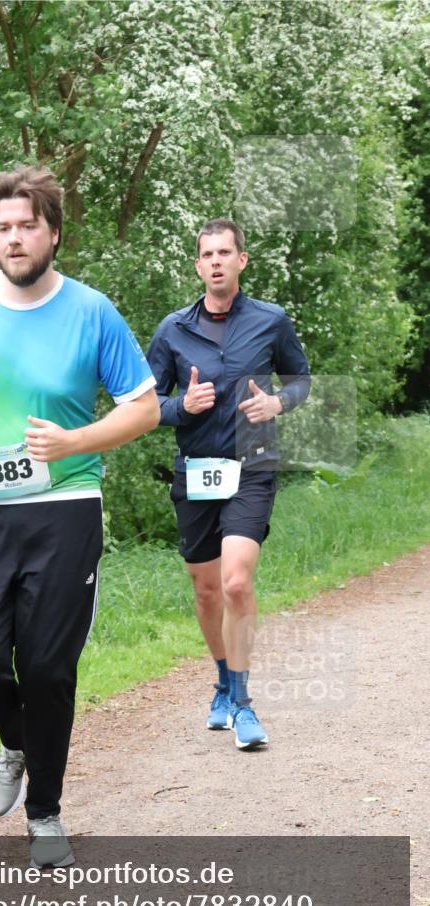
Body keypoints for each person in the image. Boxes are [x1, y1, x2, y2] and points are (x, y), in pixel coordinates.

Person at [0, 164, 158, 867]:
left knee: (50, 668)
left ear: (53, 233)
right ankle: (16, 738)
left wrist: (75, 441)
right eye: (3, 228)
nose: (14, 238)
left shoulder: (91, 311)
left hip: (63, 508)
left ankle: (45, 814)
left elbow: (142, 406)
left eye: (27, 226)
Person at [146, 219, 310, 750]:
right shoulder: (172, 330)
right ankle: (222, 680)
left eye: (225, 252)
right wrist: (179, 406)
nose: (216, 261)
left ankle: (242, 703)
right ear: (197, 265)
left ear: (242, 260)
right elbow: (144, 405)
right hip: (196, 473)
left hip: (253, 465)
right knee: (207, 588)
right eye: (206, 254)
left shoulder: (271, 320)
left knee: (237, 582)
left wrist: (277, 402)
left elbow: (301, 378)